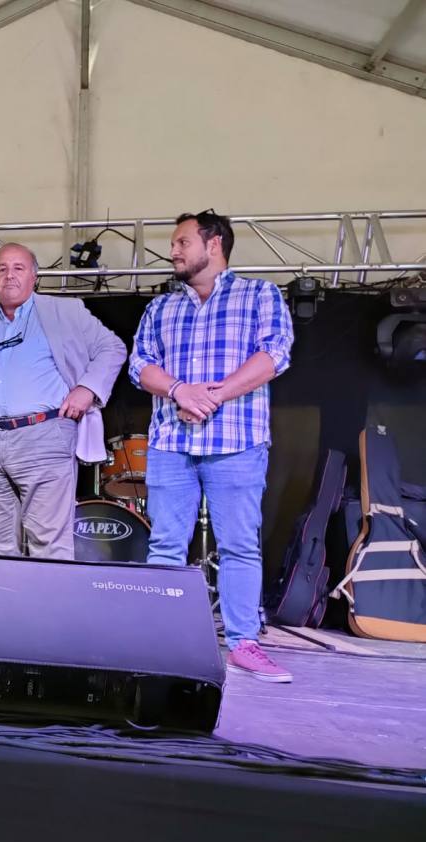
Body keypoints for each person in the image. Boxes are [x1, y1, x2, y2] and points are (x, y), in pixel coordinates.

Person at [129, 209, 295, 682]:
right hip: (171, 443)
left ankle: (243, 643)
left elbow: (275, 355)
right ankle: (159, 643)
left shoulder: (259, 294)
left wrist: (211, 397)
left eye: (182, 242)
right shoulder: (161, 308)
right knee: (165, 544)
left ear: (214, 243)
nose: (173, 251)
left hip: (237, 442)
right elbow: (139, 365)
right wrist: (180, 391)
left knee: (239, 546)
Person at [0, 243, 126, 559]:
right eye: (1, 269)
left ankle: (50, 595)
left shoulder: (64, 311)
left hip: (45, 435)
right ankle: (2, 595)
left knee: (49, 541)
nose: (9, 275)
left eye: (18, 268)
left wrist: (87, 389)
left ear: (34, 276)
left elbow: (112, 348)